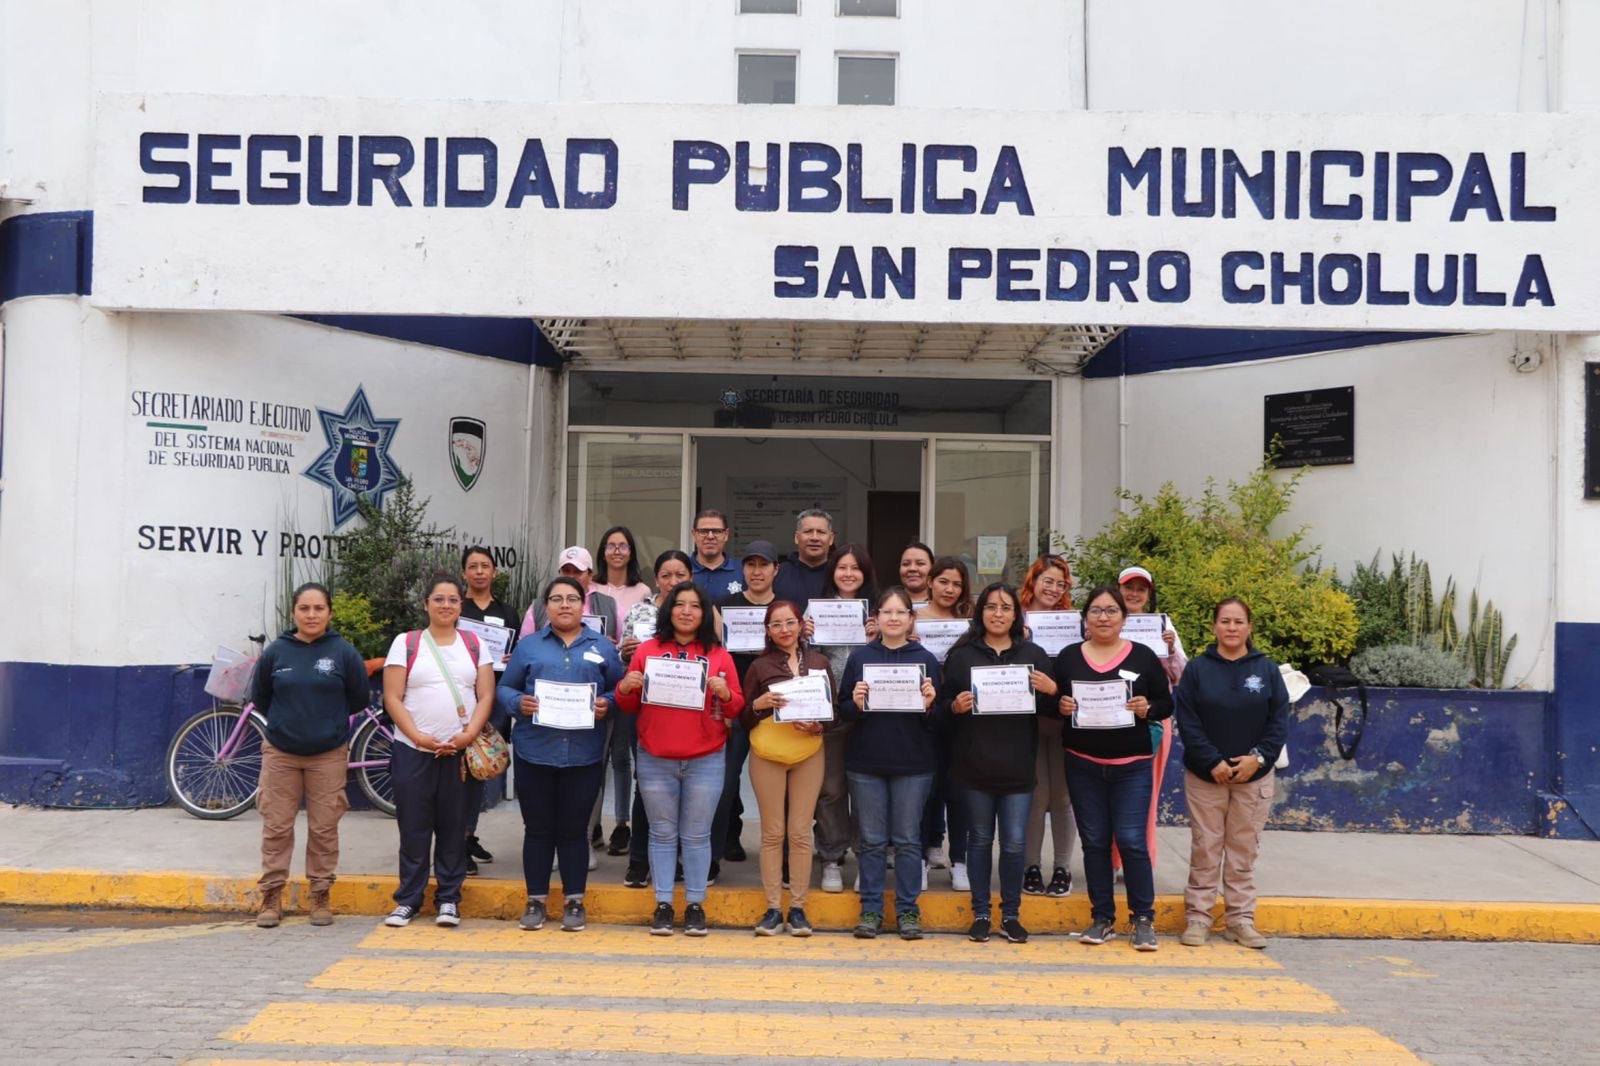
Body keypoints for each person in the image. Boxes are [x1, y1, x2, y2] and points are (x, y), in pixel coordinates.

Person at [614, 582, 745, 936]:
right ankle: (663, 905)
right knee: (661, 833)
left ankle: (695, 905)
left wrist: (725, 693)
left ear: (704, 614)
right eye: (679, 604)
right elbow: (627, 703)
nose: (686, 611)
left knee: (697, 835)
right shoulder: (648, 650)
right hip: (656, 757)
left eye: (695, 606)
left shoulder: (719, 655)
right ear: (668, 610)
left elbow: (737, 705)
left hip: (706, 758)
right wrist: (625, 687)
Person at [497, 576, 625, 934]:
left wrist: (608, 704)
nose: (564, 605)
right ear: (546, 606)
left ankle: (574, 902)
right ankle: (535, 901)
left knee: (573, 831)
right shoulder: (528, 647)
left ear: (583, 605)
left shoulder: (601, 646)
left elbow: (619, 688)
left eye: (572, 598)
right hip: (534, 751)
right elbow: (504, 687)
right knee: (537, 830)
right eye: (556, 599)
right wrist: (516, 703)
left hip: (583, 755)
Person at [1054, 583, 1173, 951]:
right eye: (1096, 611)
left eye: (1111, 611)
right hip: (1083, 764)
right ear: (1085, 618)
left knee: (1133, 842)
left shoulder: (1143, 656)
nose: (1103, 617)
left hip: (1132, 766)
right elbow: (1055, 701)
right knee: (1094, 843)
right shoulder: (1069, 657)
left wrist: (1147, 709)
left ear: (1124, 618)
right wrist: (1061, 707)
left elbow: (1165, 705)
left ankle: (1142, 919)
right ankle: (1102, 917)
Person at [941, 582, 1058, 944]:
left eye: (1005, 607)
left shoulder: (1034, 655)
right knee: (978, 841)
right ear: (980, 613)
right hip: (974, 765)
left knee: (1013, 844)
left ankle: (1010, 915)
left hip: (1018, 767)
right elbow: (941, 711)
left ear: (1015, 614)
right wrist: (954, 707)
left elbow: (1054, 712)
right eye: (991, 606)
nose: (997, 613)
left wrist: (1053, 691)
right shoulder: (961, 656)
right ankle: (980, 913)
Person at [251, 582, 371, 928]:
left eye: (319, 608)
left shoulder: (343, 653)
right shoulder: (276, 652)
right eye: (305, 608)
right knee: (276, 826)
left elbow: (358, 698)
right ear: (294, 613)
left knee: (324, 827)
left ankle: (320, 893)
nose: (312, 615)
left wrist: (326, 724)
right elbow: (261, 698)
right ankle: (271, 896)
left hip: (328, 755)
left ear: (329, 612)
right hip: (281, 753)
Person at [381, 575, 497, 929]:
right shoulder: (407, 643)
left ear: (461, 605)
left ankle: (449, 898)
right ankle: (409, 900)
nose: (446, 606)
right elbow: (392, 697)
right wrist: (417, 737)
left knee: (453, 827)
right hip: (413, 750)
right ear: (426, 604)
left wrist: (469, 735)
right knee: (414, 827)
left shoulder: (475, 644)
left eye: (453, 600)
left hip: (459, 752)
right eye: (438, 599)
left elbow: (486, 695)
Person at [1175, 598, 1288, 950]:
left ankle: (1240, 920)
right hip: (1206, 777)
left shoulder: (1266, 669)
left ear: (1249, 627)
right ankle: (1198, 918)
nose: (1232, 628)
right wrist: (1212, 761)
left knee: (1242, 851)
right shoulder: (1197, 670)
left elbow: (1279, 720)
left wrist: (1257, 758)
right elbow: (1188, 722)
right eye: (1225, 621)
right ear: (1214, 627)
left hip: (1253, 779)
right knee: (1205, 848)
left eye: (1239, 622)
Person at [835, 586, 941, 941]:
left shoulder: (925, 659)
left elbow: (939, 720)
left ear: (912, 619)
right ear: (876, 618)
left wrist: (930, 704)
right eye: (887, 612)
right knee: (873, 840)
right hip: (866, 763)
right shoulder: (860, 657)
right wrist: (856, 702)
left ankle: (909, 910)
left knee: (909, 840)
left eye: (901, 612)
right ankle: (871, 909)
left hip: (914, 764)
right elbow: (843, 711)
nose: (893, 618)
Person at [740, 599, 832, 936]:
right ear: (767, 630)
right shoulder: (759, 667)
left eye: (790, 622)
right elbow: (743, 717)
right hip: (768, 753)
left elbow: (831, 712)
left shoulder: (820, 662)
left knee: (800, 832)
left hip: (808, 753)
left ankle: (798, 909)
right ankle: (772, 908)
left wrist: (820, 726)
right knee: (772, 833)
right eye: (776, 624)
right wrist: (758, 704)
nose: (784, 630)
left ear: (801, 625)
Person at [617, 549, 694, 889]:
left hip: (689, 713)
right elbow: (623, 654)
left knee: (685, 790)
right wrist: (625, 653)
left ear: (690, 577)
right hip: (648, 711)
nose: (673, 581)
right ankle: (638, 860)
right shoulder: (641, 610)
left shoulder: (700, 611)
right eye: (666, 575)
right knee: (645, 785)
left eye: (680, 575)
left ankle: (674, 857)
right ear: (656, 579)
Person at [711, 540, 785, 874]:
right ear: (743, 570)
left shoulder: (786, 609)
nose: (757, 571)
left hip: (776, 709)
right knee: (724, 784)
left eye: (764, 565)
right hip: (734, 706)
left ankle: (783, 857)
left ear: (775, 570)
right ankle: (712, 856)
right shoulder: (723, 606)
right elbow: (714, 658)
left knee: (781, 789)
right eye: (751, 565)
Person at [810, 544, 879, 894]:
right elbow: (807, 661)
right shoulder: (816, 611)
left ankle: (867, 857)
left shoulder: (879, 614)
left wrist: (876, 637)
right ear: (832, 572)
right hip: (831, 710)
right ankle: (832, 857)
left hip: (872, 715)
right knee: (832, 789)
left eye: (856, 568)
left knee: (866, 789)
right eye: (842, 568)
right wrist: (806, 635)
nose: (848, 574)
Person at [1114, 564, 1187, 875]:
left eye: (1141, 589)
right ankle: (1111, 860)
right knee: (1107, 795)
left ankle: (1139, 860)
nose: (1134, 594)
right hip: (1109, 718)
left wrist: (1171, 648)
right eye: (1129, 588)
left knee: (1146, 793)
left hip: (1153, 722)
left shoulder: (1162, 626)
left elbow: (1181, 676)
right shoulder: (1104, 620)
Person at [1017, 554, 1077, 898]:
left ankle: (1063, 867)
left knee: (1063, 796)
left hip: (1066, 716)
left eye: (1061, 583)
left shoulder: (1073, 621)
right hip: (1028, 719)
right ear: (1033, 582)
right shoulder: (1016, 618)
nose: (1054, 588)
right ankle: (1031, 866)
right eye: (1047, 581)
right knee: (1036, 794)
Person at [458, 545, 520, 877]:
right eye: (473, 566)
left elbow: (517, 651)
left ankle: (469, 833)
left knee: (482, 766)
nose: (480, 571)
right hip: (462, 699)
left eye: (486, 566)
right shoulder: (457, 608)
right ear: (464, 573)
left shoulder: (508, 612)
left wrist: (514, 658)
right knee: (461, 771)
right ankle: (458, 841)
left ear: (494, 573)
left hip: (495, 698)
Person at [916, 556, 973, 892]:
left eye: (956, 584)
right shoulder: (913, 620)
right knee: (926, 792)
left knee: (960, 792)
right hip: (921, 715)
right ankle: (921, 860)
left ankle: (961, 861)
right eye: (943, 582)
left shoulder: (969, 623)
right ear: (930, 582)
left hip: (961, 716)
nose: (949, 589)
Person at [521, 546, 619, 642]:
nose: (571, 576)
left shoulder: (611, 605)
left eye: (578, 571)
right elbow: (524, 645)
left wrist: (610, 646)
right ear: (560, 573)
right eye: (566, 571)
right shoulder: (538, 606)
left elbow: (623, 647)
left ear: (590, 575)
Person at [772, 508, 836, 609]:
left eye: (821, 532)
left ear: (831, 539)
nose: (814, 538)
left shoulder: (841, 575)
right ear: (796, 537)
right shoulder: (777, 574)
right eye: (808, 531)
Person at [593, 525, 654, 620]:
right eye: (611, 547)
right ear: (603, 554)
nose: (617, 552)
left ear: (631, 554)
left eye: (623, 547)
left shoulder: (643, 591)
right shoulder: (592, 588)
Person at [689, 508, 744, 599]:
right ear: (694, 534)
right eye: (703, 531)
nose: (710, 536)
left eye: (717, 531)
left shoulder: (743, 571)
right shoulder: (682, 570)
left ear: (726, 535)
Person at [898, 542, 935, 609]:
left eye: (920, 563)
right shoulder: (886, 602)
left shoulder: (944, 602)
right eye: (906, 564)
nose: (912, 569)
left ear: (932, 568)